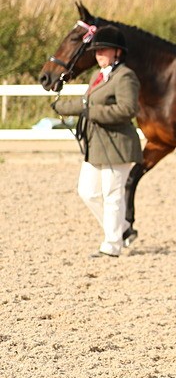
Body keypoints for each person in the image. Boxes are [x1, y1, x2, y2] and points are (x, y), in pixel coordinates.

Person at [50, 26, 143, 258]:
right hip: (96, 143)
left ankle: (112, 245)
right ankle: (122, 229)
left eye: (104, 51)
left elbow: (128, 109)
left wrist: (88, 111)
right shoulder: (97, 76)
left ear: (117, 53)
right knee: (87, 191)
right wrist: (61, 105)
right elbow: (85, 104)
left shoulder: (126, 77)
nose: (99, 55)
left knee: (112, 194)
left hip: (116, 143)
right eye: (97, 51)